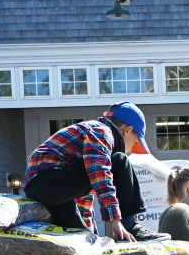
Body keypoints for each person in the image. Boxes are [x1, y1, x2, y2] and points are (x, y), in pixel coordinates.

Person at [22, 101, 167, 242]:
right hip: (45, 182)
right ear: (127, 130)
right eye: (135, 143)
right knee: (119, 160)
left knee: (84, 239)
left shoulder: (92, 143)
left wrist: (92, 233)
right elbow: (100, 174)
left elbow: (84, 192)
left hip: (51, 191)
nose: (130, 150)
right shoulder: (101, 131)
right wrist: (115, 220)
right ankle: (131, 226)